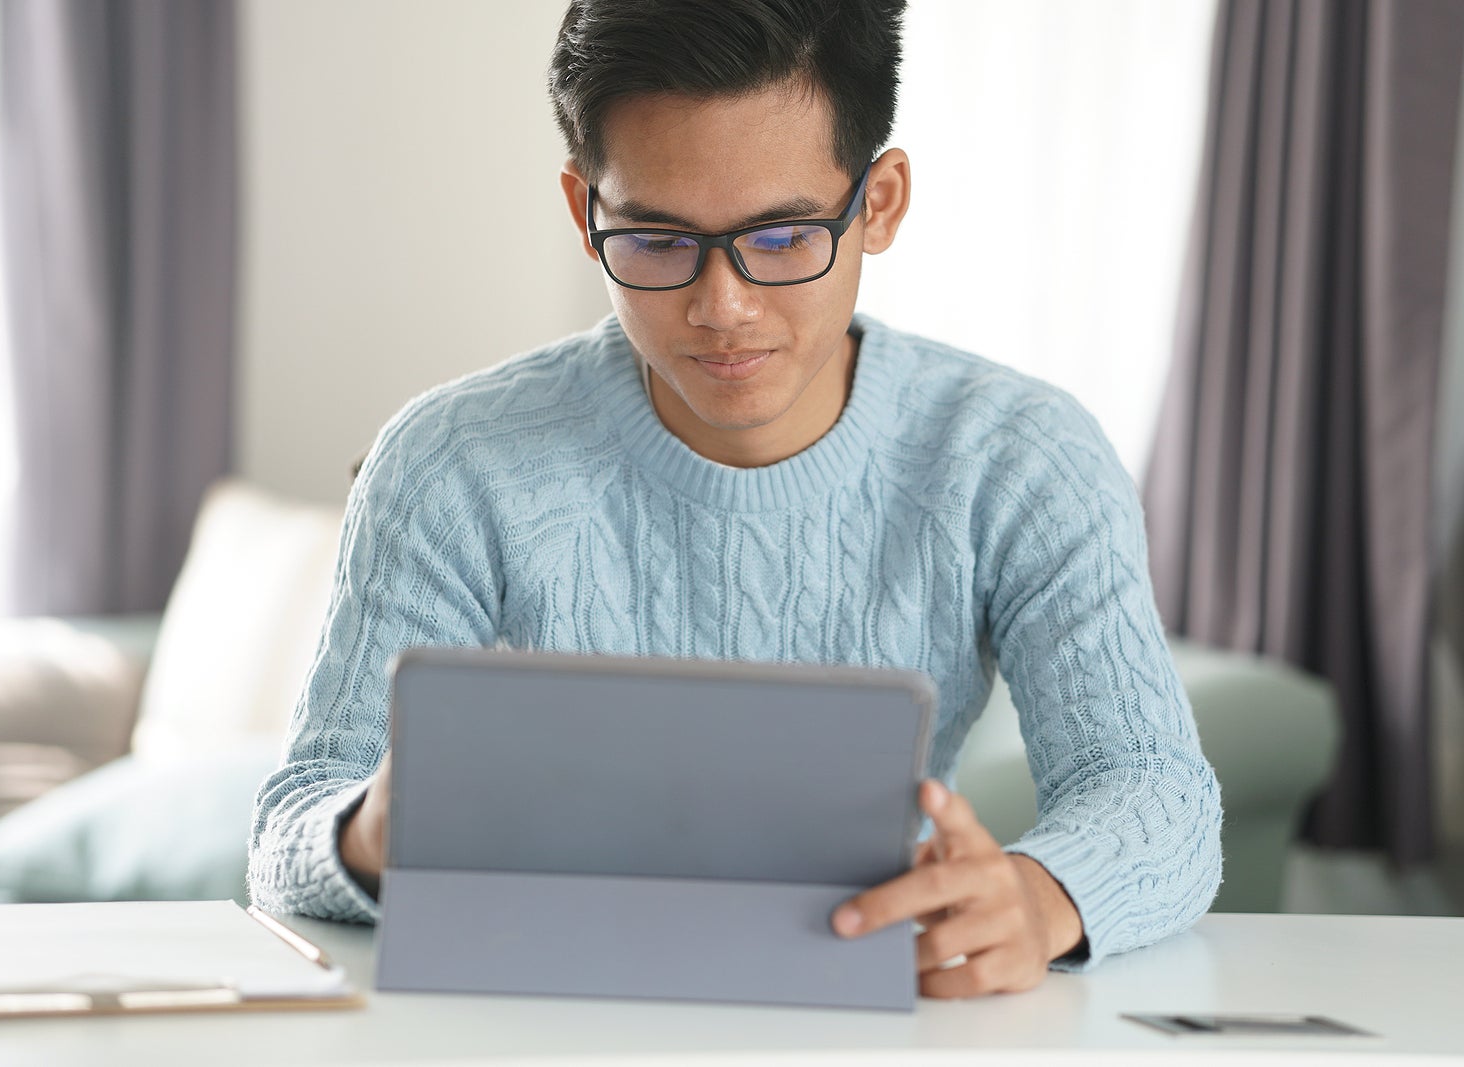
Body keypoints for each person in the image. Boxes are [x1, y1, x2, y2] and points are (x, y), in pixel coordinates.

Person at [248, 0, 1222, 998]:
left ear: (878, 202)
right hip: (533, 1011)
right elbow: (286, 837)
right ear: (585, 213)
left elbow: (1154, 792)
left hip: (883, 1009)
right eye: (658, 242)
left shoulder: (1018, 455)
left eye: (784, 233)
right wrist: (369, 830)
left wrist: (1035, 893)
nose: (723, 308)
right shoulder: (451, 459)